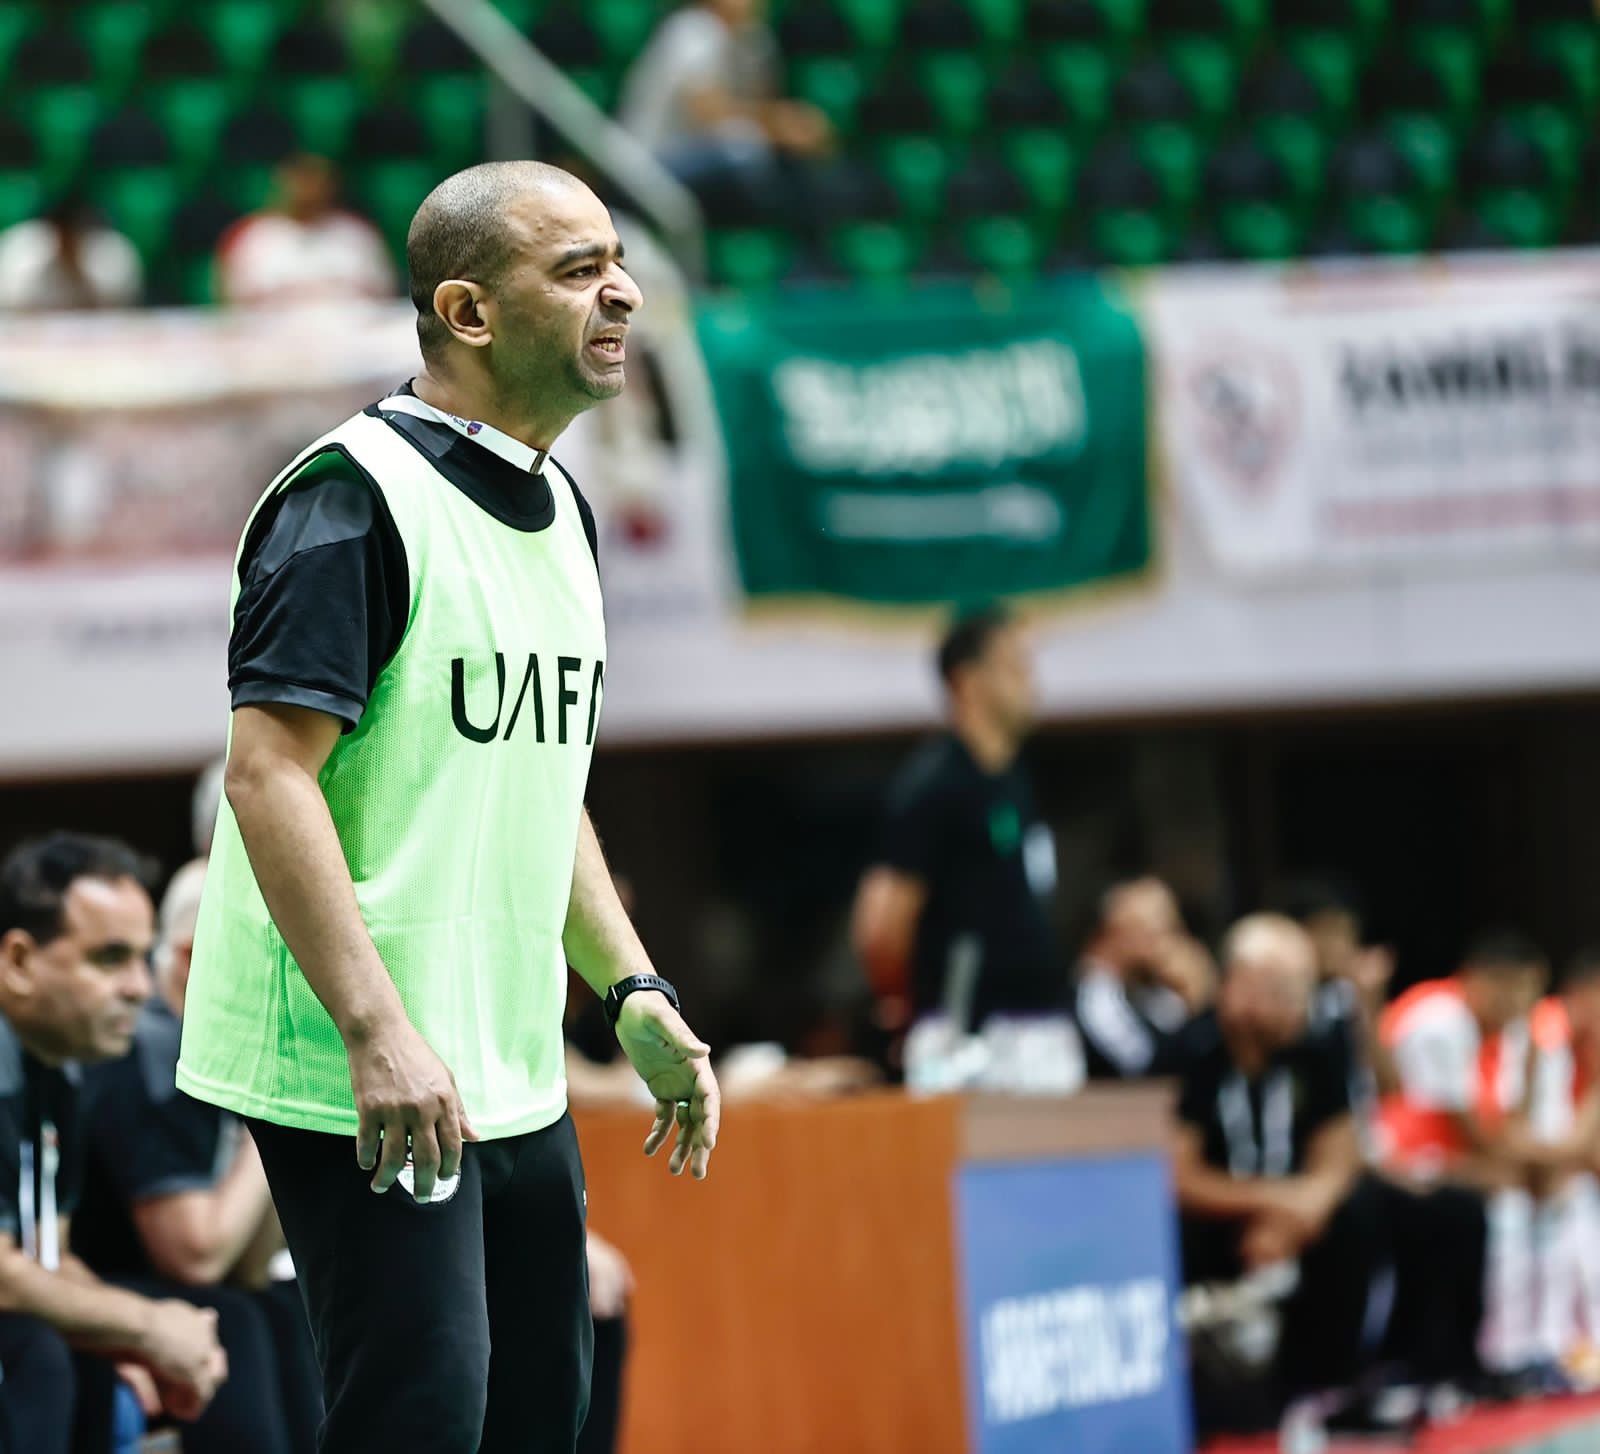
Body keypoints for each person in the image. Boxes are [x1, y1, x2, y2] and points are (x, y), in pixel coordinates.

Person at [176, 160, 721, 1454]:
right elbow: (266, 775)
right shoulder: (350, 498)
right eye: (578, 269)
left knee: (542, 1411)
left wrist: (633, 987)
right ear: (468, 312)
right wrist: (377, 1031)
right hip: (356, 1060)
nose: (623, 292)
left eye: (619, 261)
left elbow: (541, 787)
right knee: (421, 1414)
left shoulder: (563, 509)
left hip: (505, 1054)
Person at [74, 858, 322, 1453]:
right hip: (93, 1277)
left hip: (171, 1280)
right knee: (234, 1323)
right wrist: (274, 1106)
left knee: (285, 1308)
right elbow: (197, 1256)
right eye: (284, 963)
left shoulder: (219, 1050)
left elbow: (250, 1263)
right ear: (191, 958)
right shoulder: (147, 1050)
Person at [0, 834, 226, 1454]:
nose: (139, 987)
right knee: (36, 1355)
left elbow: (48, 1257)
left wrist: (132, 1339)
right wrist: (147, 1327)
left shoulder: (59, 1072)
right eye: (109, 959)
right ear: (19, 961)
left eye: (142, 958)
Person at [852, 606, 1061, 1039]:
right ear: (968, 682)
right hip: (967, 1032)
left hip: (1032, 1021)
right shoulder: (933, 785)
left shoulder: (1012, 776)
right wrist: (907, 1009)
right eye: (1014, 667)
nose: (1031, 682)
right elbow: (880, 925)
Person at [1378, 931, 1560, 1384]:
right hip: (1399, 1157)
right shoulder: (1441, 1020)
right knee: (1508, 1203)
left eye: (1534, 993)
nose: (1526, 1005)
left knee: (1546, 1195)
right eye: (1519, 990)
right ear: (1483, 980)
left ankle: (1532, 1346)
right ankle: (1497, 1352)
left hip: (1446, 1158)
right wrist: (1527, 1167)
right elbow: (1474, 1133)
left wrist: (1532, 1068)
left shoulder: (1499, 1034)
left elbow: (1509, 1126)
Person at [619, 0, 830, 224]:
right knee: (745, 150)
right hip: (649, 159)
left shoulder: (754, 39)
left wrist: (787, 125)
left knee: (764, 152)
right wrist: (779, 126)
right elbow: (709, 114)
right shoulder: (692, 30)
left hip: (701, 153)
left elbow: (761, 99)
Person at [1073, 876, 1213, 1080]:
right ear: (1122, 932)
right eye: (1158, 933)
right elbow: (1142, 1063)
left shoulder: (1139, 989)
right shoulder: (1097, 991)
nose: (1167, 944)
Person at [215, 153, 394, 307]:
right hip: (274, 334)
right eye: (300, 181)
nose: (308, 190)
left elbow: (385, 298)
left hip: (350, 332)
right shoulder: (252, 237)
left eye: (315, 181)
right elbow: (230, 306)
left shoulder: (358, 234)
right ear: (282, 184)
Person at [0, 194, 142, 310]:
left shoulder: (112, 254)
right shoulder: (22, 252)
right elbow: (15, 310)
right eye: (66, 235)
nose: (70, 242)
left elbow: (116, 309)